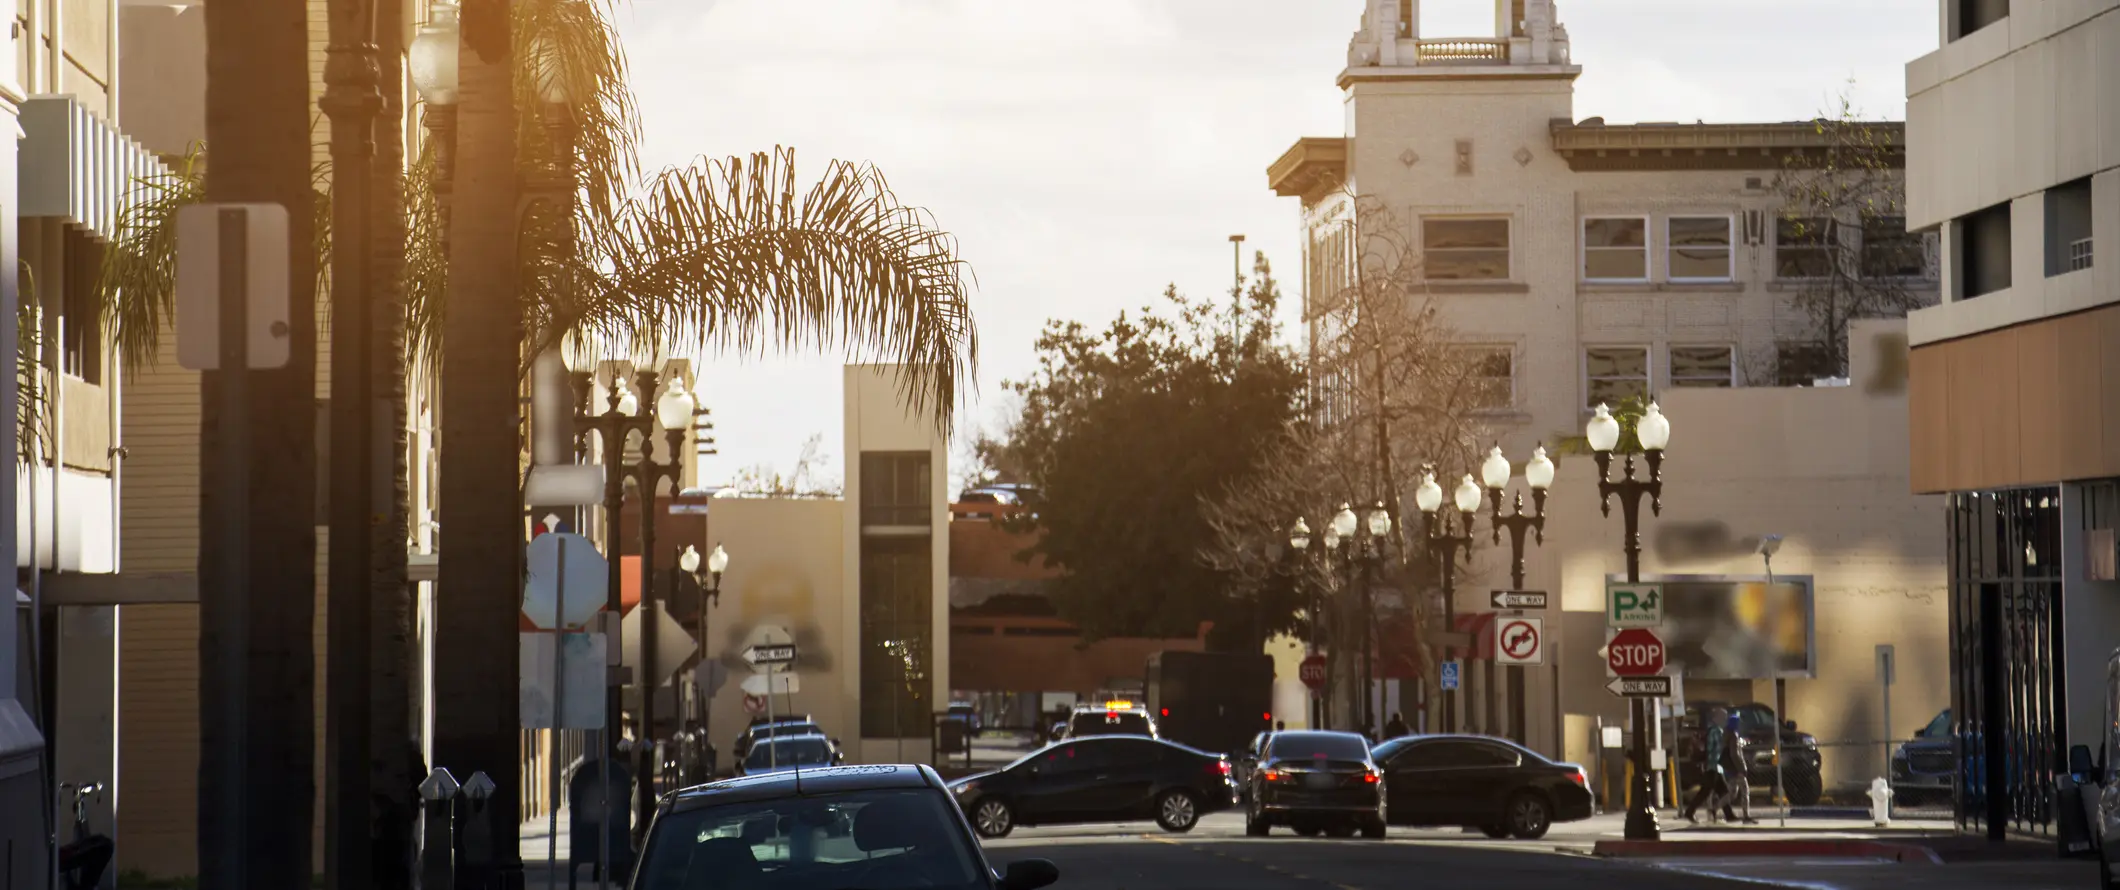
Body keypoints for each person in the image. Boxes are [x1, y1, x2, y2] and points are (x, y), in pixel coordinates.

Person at [1681, 707, 1738, 823]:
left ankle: (1729, 814)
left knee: (1720, 791)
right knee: (1710, 791)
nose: (1725, 719)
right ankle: (1690, 812)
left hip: (1715, 767)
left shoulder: (1713, 730)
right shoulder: (1716, 731)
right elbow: (1715, 750)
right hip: (1714, 766)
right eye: (1723, 717)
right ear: (1716, 718)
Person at [1718, 711, 1756, 824]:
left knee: (1732, 792)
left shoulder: (1726, 734)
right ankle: (1746, 816)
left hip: (1730, 768)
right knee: (1745, 790)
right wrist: (1742, 768)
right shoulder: (1733, 735)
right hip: (1737, 769)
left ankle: (1714, 808)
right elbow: (1735, 754)